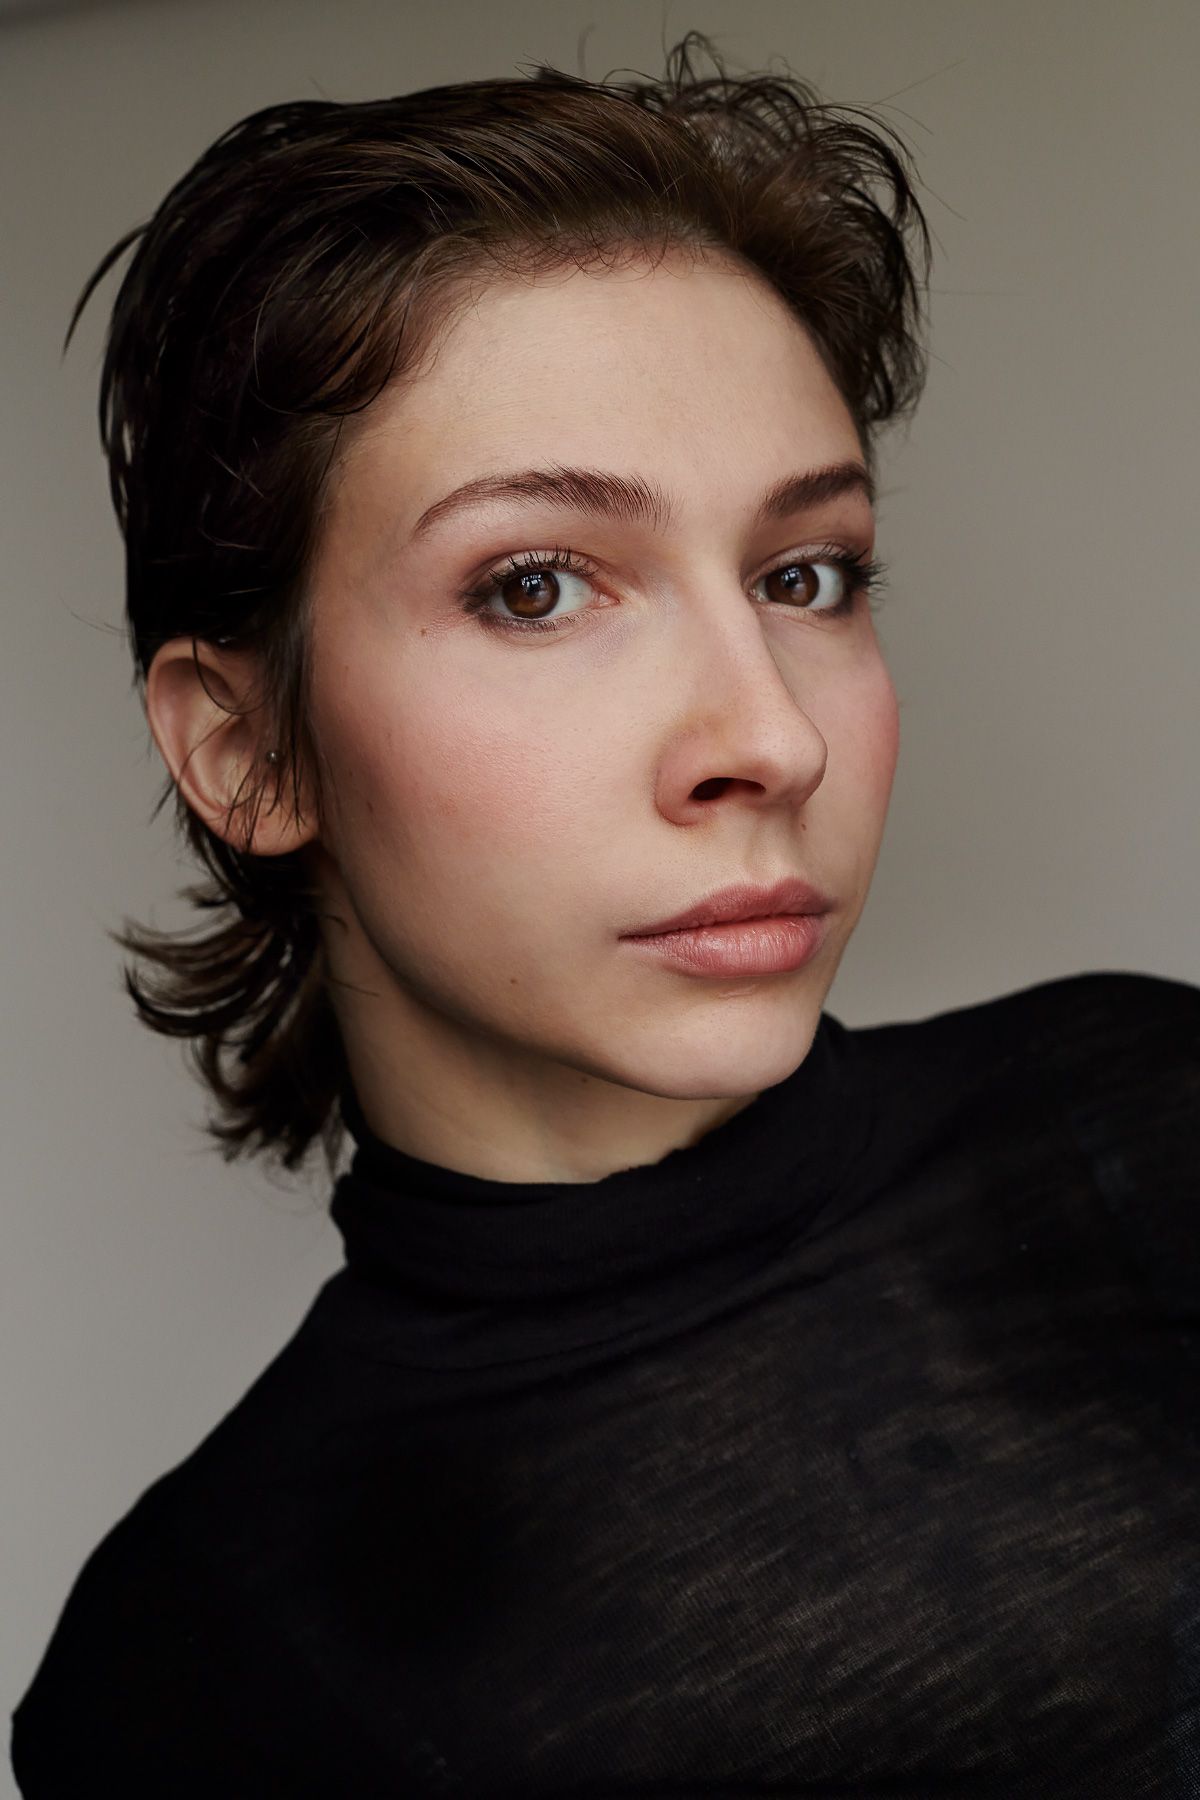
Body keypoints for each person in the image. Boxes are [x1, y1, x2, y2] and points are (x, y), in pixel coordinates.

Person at [10, 32, 1199, 1798]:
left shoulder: (1153, 1113)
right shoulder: (185, 1674)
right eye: (535, 588)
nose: (771, 738)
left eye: (807, 575)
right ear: (250, 752)